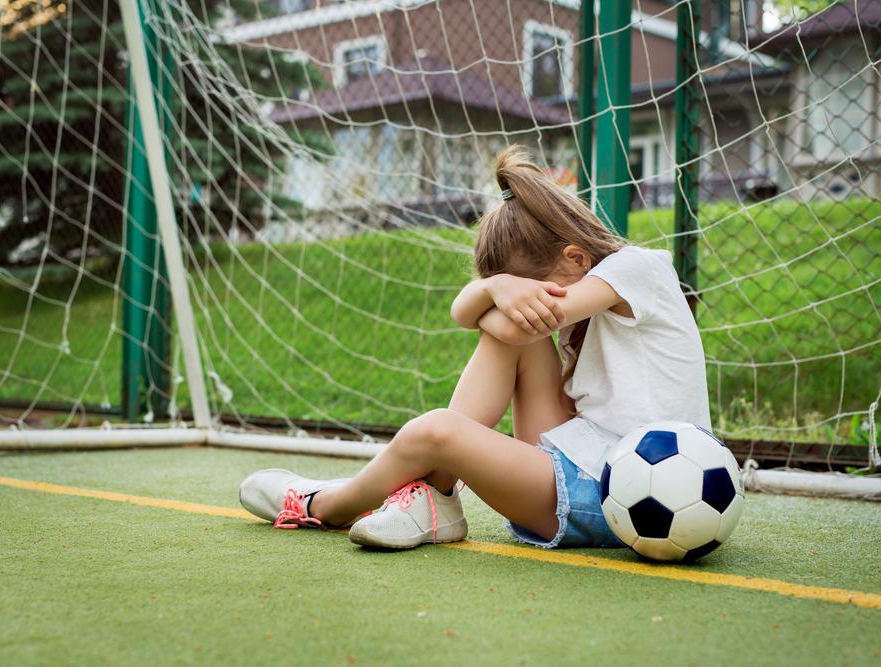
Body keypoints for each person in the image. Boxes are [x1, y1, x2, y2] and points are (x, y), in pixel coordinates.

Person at [239, 144, 711, 550]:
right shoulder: (586, 281)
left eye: (528, 289)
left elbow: (504, 327)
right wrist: (497, 287)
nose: (519, 301)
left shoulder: (637, 267)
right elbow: (472, 317)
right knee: (510, 339)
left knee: (437, 432)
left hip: (618, 491)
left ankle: (328, 503)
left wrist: (497, 295)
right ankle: (435, 495)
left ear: (575, 258)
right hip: (586, 469)